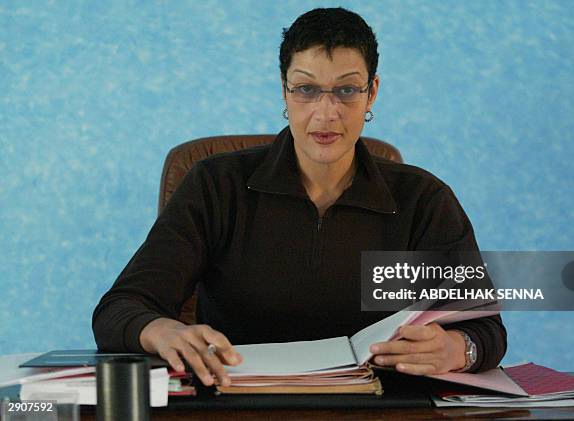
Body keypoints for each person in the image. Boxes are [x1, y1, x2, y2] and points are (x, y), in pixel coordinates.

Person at [93, 7, 507, 388]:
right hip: (238, 401)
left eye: (346, 91)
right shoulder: (215, 186)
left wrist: (458, 349)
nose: (325, 113)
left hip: (377, 404)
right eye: (306, 90)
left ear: (372, 92)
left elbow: (485, 327)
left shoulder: (423, 199)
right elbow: (120, 309)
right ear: (285, 91)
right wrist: (162, 330)